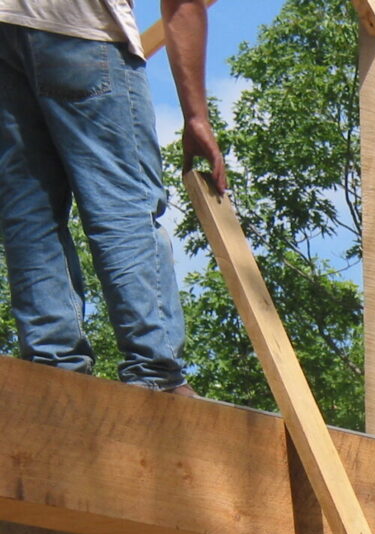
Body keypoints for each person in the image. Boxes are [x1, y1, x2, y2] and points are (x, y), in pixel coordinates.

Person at [0, 0, 226, 395]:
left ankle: (52, 373)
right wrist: (195, 116)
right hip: (81, 29)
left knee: (30, 213)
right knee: (122, 206)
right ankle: (155, 373)